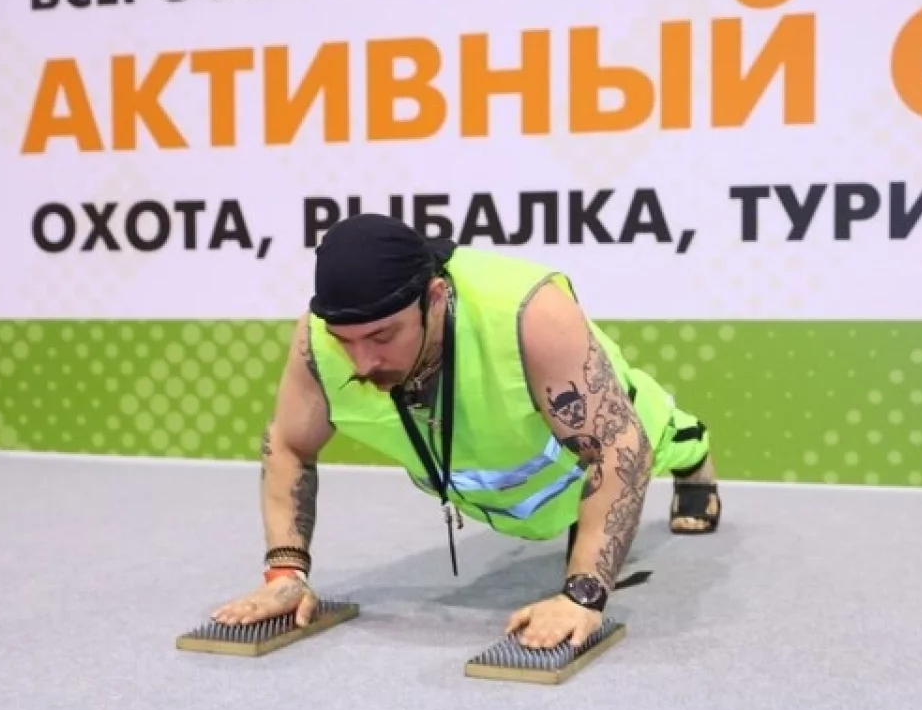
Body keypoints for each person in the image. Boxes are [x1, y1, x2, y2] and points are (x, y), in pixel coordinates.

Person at [211, 213, 723, 650]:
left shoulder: (530, 311)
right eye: (345, 340)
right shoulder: (320, 340)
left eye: (383, 336)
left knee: (659, 431)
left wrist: (583, 594)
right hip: (499, 476)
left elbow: (617, 447)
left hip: (590, 435)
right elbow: (289, 445)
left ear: (435, 298)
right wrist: (285, 575)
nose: (362, 362)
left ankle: (697, 465)